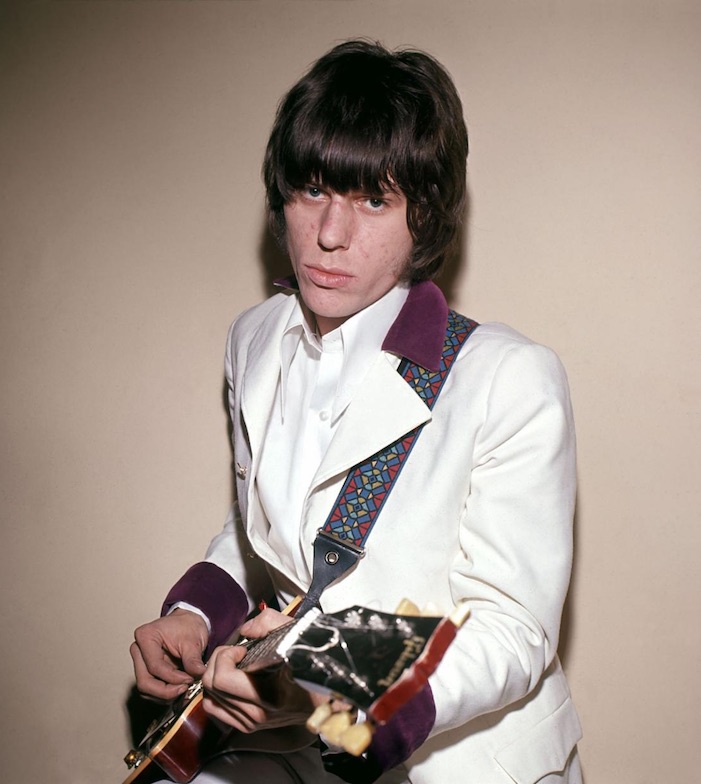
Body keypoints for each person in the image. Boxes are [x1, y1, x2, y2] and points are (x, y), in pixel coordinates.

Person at [130, 39, 583, 783]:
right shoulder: (253, 338)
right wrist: (192, 615)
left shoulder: (507, 379)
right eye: (312, 190)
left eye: (374, 199)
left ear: (425, 217)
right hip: (299, 756)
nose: (330, 234)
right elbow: (276, 532)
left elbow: (510, 630)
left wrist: (313, 683)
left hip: (453, 758)